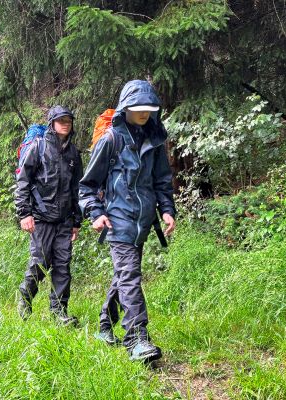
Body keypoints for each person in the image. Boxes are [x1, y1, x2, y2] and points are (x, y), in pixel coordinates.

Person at [79, 80, 176, 362]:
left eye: (148, 108)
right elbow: (86, 186)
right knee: (131, 276)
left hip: (142, 222)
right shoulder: (111, 140)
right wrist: (96, 214)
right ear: (126, 108)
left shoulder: (154, 141)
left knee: (123, 275)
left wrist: (167, 210)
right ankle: (136, 337)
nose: (143, 113)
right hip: (118, 220)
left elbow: (161, 180)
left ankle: (104, 326)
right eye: (138, 108)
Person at [15, 105, 83, 326]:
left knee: (63, 266)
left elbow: (77, 188)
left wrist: (76, 221)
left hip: (64, 220)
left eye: (68, 120)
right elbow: (23, 182)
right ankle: (25, 296)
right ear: (52, 123)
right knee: (40, 263)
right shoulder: (38, 147)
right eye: (61, 120)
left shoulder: (74, 153)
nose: (65, 123)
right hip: (41, 217)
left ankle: (59, 312)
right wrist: (24, 213)